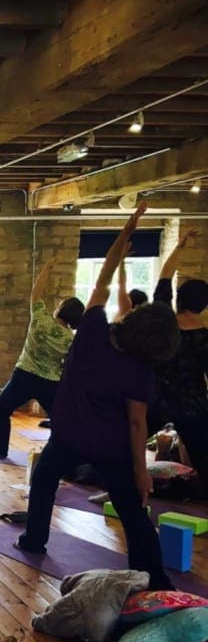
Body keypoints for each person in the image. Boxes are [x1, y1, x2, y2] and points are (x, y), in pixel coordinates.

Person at [16, 203, 180, 591]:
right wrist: (141, 470)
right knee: (132, 509)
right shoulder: (139, 369)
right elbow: (137, 423)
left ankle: (34, 538)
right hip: (111, 447)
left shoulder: (91, 328)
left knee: (44, 481)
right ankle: (154, 575)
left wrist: (124, 237)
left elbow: (103, 282)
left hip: (69, 435)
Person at [0, 255, 83, 458]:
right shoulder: (70, 339)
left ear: (60, 309)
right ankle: (56, 454)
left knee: (2, 409)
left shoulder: (40, 318)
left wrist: (47, 268)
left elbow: (36, 292)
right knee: (59, 421)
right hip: (50, 382)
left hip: (24, 374)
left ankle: (1, 450)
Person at [148, 228, 207, 480]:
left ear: (180, 299)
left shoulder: (164, 321)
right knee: (204, 458)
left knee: (126, 444)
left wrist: (180, 245)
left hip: (155, 397)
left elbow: (164, 278)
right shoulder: (205, 337)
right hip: (192, 404)